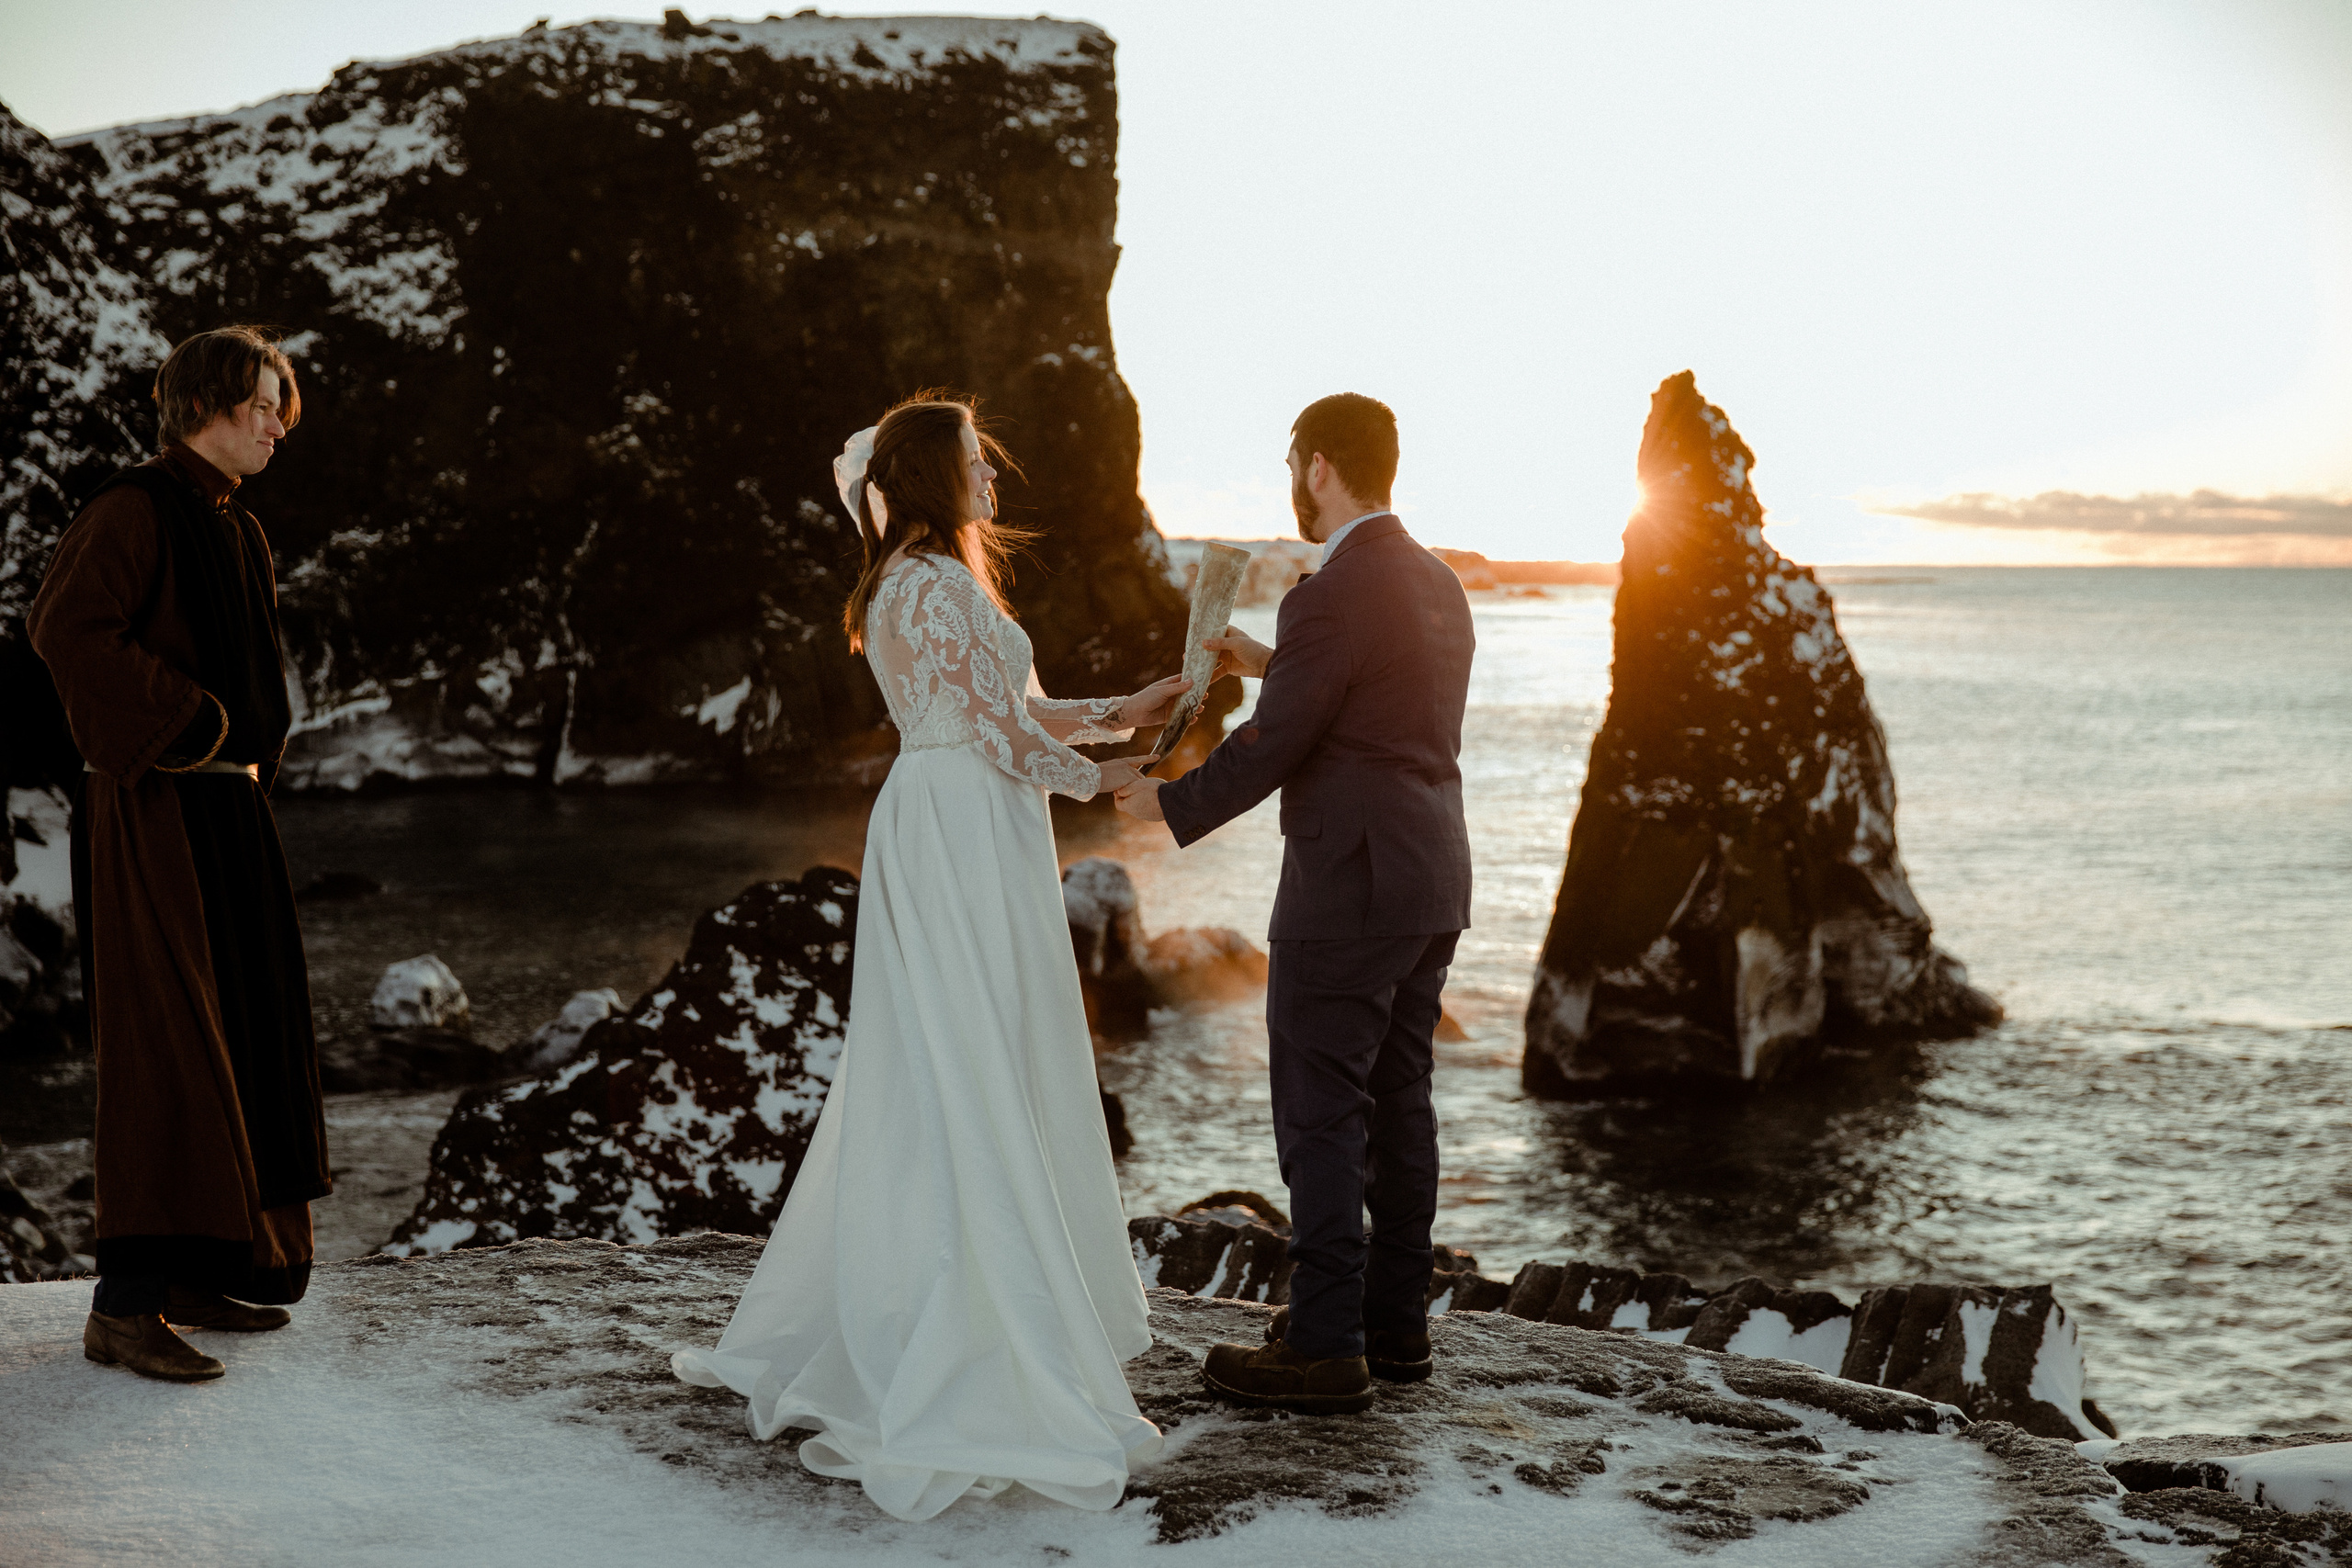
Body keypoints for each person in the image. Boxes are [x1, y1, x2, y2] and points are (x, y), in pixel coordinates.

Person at [673, 393, 1185, 1519]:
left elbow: (1015, 709)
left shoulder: (920, 582)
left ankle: (961, 1293)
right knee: (968, 1052)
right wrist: (1105, 781)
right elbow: (998, 733)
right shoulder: (929, 584)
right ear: (924, 475)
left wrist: (1123, 711)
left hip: (962, 814)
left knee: (963, 1050)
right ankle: (976, 1325)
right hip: (963, 820)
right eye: (975, 464)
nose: (992, 482)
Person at [1114, 393, 1473, 1415]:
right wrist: (1264, 661)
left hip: (1345, 892)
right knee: (1400, 1107)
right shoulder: (1438, 582)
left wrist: (1165, 803)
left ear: (1319, 467)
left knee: (1320, 1117)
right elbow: (1376, 695)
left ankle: (1322, 1347)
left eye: (1290, 463)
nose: (1290, 481)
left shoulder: (1327, 591)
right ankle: (1394, 1330)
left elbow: (1279, 745)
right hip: (1431, 879)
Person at [28, 326, 330, 1382]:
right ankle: (123, 1306)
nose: (275, 426)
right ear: (202, 403)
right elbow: (64, 627)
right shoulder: (132, 510)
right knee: (168, 1042)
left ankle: (204, 1269)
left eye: (280, 409)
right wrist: (195, 725)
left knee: (242, 1037)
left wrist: (248, 755)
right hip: (157, 812)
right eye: (260, 405)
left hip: (228, 818)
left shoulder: (234, 528)